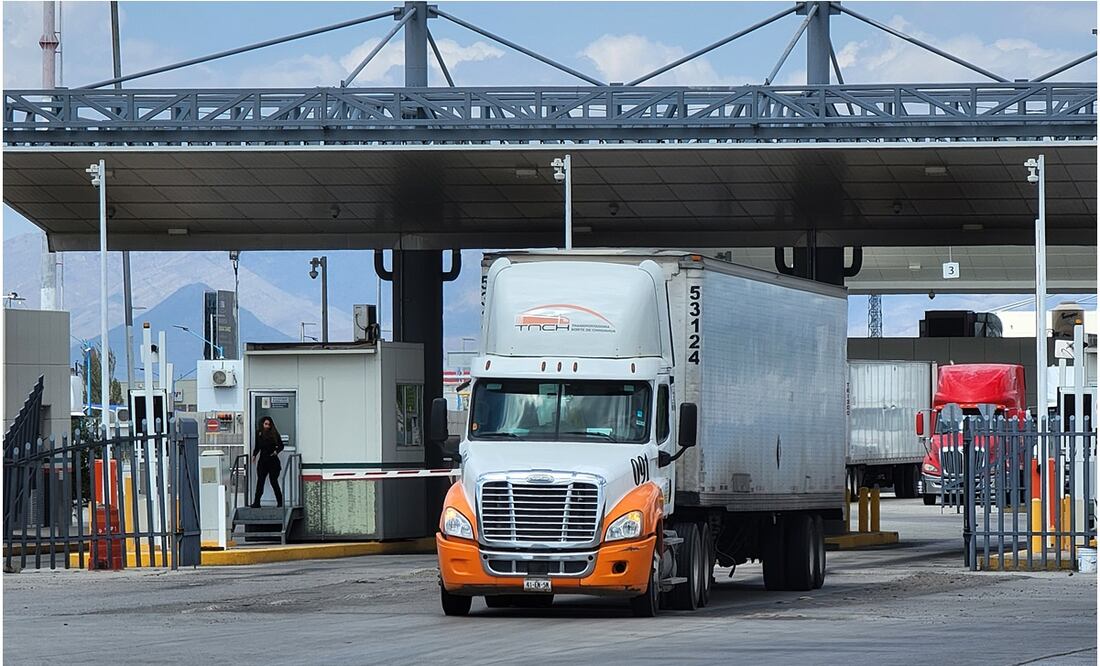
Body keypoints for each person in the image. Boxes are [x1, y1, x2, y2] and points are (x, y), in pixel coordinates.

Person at [251, 416, 284, 508]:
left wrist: (276, 452)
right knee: (260, 481)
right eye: (266, 424)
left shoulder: (274, 433)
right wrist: (254, 455)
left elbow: (281, 445)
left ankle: (280, 502)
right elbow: (257, 446)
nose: (267, 426)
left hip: (273, 460)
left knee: (273, 481)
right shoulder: (259, 433)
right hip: (263, 461)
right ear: (262, 424)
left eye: (269, 424)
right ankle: (257, 502)